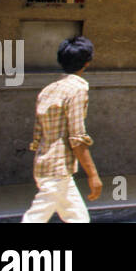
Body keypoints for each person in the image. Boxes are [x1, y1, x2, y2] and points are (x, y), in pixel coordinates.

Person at [21, 36, 102, 223]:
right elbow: (77, 137)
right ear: (87, 62)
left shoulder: (48, 90)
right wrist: (93, 175)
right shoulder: (77, 90)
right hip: (57, 169)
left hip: (45, 165)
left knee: (78, 218)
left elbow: (38, 134)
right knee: (35, 218)